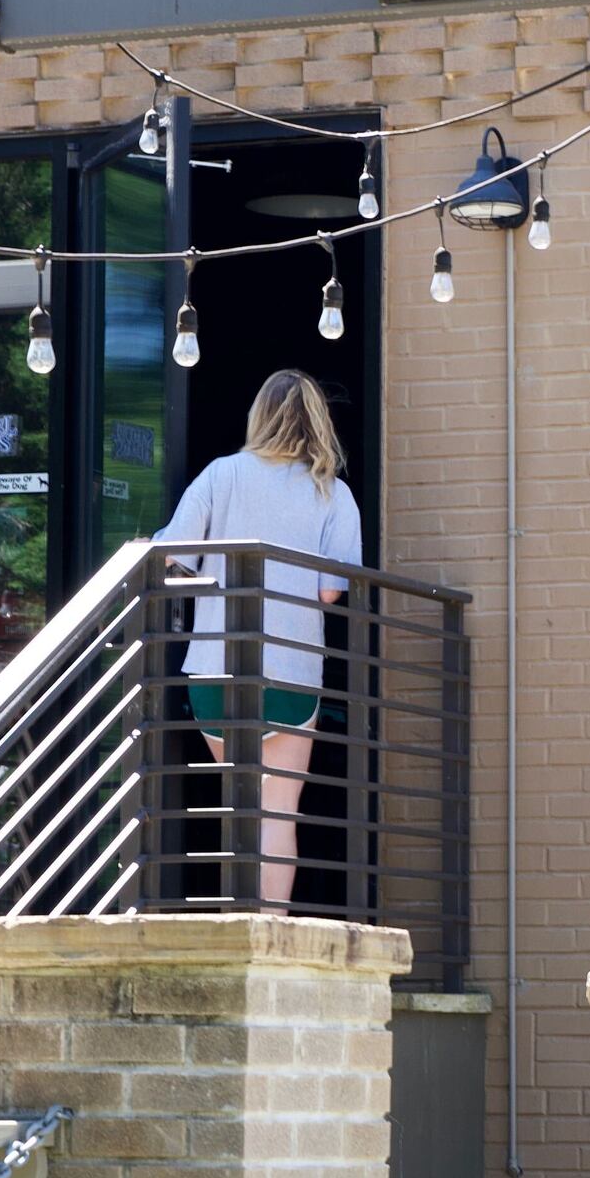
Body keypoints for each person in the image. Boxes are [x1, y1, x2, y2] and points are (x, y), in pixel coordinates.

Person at [156, 371, 362, 906]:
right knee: (278, 812)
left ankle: (238, 917)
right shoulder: (332, 492)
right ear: (317, 422)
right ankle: (269, 926)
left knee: (241, 804)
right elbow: (330, 593)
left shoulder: (221, 475)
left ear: (259, 417)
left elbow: (171, 553)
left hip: (213, 669)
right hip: (292, 673)